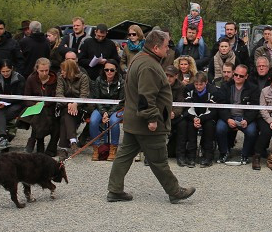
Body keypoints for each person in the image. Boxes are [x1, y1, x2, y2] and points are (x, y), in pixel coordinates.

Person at [105, 29, 195, 204]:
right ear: (155, 48)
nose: (168, 49)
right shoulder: (149, 66)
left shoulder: (139, 58)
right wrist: (152, 119)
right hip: (146, 123)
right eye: (166, 46)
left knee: (124, 155)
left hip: (134, 120)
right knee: (159, 160)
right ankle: (175, 191)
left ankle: (115, 190)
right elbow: (147, 97)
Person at [214, 63, 260, 166]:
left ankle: (245, 154)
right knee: (219, 129)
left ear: (246, 76)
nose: (238, 77)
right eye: (236, 74)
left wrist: (247, 120)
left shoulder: (253, 88)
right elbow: (221, 105)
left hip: (245, 117)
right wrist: (227, 119)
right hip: (229, 116)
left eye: (241, 76)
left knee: (252, 131)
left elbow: (255, 108)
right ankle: (223, 152)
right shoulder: (225, 86)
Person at [20, 57, 59, 155]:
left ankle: (33, 140)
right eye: (41, 71)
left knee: (41, 113)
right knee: (39, 113)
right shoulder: (31, 79)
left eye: (46, 70)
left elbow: (55, 97)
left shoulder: (55, 80)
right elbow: (27, 97)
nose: (44, 73)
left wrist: (43, 103)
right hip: (34, 107)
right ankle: (39, 142)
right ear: (37, 69)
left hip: (50, 107)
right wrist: (35, 103)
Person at [0, 60, 25, 157]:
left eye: (7, 71)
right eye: (3, 71)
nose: (5, 73)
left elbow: (19, 96)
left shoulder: (19, 78)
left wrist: (3, 100)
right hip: (2, 106)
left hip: (17, 104)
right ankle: (2, 140)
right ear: (0, 71)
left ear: (11, 69)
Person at [179, 70, 217, 168]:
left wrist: (201, 119)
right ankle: (191, 156)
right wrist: (194, 118)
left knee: (209, 126)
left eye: (201, 84)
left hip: (207, 116)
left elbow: (212, 110)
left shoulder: (213, 91)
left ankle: (208, 156)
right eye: (196, 84)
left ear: (206, 82)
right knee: (190, 126)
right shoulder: (188, 89)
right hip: (193, 115)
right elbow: (187, 107)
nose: (198, 87)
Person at [89, 60, 124, 161]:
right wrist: (104, 112)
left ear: (116, 71)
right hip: (101, 107)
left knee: (114, 122)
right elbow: (96, 98)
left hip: (117, 108)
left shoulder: (121, 82)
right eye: (106, 69)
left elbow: (121, 100)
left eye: (112, 70)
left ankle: (113, 148)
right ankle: (96, 148)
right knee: (93, 121)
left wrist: (108, 114)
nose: (109, 72)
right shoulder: (99, 80)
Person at [55, 58, 90, 160]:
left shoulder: (83, 77)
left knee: (65, 118)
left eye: (64, 70)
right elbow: (59, 94)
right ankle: (72, 140)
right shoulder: (61, 78)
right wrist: (69, 103)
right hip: (65, 106)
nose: (61, 72)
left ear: (70, 71)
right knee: (66, 114)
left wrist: (76, 103)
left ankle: (63, 148)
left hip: (80, 108)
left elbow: (84, 95)